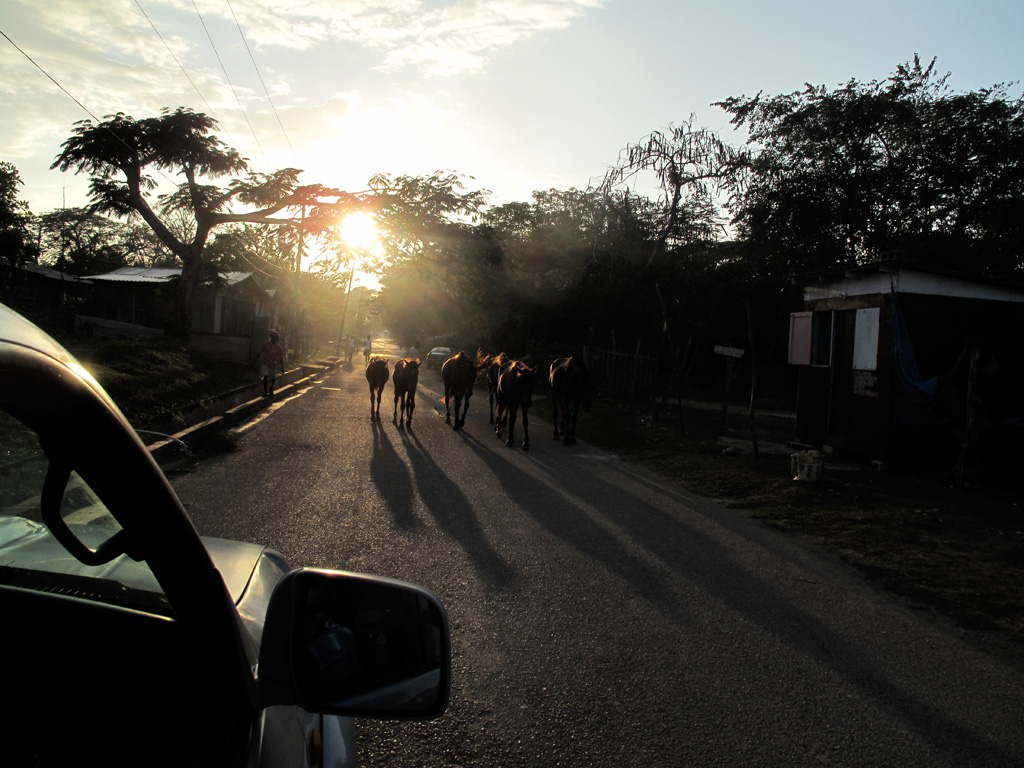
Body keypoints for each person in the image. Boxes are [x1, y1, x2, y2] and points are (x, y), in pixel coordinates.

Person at [254, 330, 286, 397]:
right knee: (265, 376)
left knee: (273, 378)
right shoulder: (265, 344)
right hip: (264, 363)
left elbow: (281, 358)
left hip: (272, 365)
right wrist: (254, 361)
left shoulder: (278, 347)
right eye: (272, 338)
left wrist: (282, 368)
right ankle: (265, 392)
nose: (273, 340)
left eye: (275, 338)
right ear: (270, 338)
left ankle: (271, 389)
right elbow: (259, 353)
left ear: (277, 339)